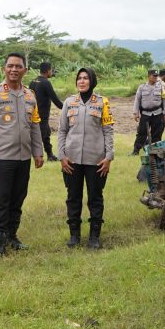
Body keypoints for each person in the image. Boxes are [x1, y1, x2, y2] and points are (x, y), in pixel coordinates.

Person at [0, 52, 44, 257]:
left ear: (25, 70)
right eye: (10, 66)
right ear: (4, 69)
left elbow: (34, 126)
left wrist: (38, 152)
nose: (14, 69)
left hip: (23, 158)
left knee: (18, 198)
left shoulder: (29, 96)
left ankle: (12, 236)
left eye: (18, 66)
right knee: (0, 199)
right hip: (1, 159)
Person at [57, 67, 114, 249]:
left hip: (96, 160)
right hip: (72, 159)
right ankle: (74, 235)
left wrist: (109, 157)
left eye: (85, 78)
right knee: (73, 197)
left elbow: (108, 130)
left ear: (92, 81)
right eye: (79, 78)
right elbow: (62, 130)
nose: (81, 81)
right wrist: (62, 156)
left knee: (95, 198)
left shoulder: (102, 103)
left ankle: (94, 237)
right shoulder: (69, 102)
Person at [28, 61, 63, 162]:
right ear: (48, 71)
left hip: (33, 114)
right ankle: (42, 156)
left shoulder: (33, 81)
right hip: (42, 115)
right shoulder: (46, 82)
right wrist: (67, 107)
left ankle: (49, 155)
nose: (51, 72)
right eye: (51, 70)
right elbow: (55, 99)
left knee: (43, 134)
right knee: (42, 136)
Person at [131, 69, 165, 155]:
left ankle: (154, 151)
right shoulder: (142, 87)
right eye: (154, 76)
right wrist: (135, 113)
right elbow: (137, 100)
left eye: (156, 76)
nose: (155, 77)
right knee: (141, 133)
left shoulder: (160, 87)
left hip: (157, 113)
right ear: (149, 76)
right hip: (145, 114)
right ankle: (136, 150)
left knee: (157, 133)